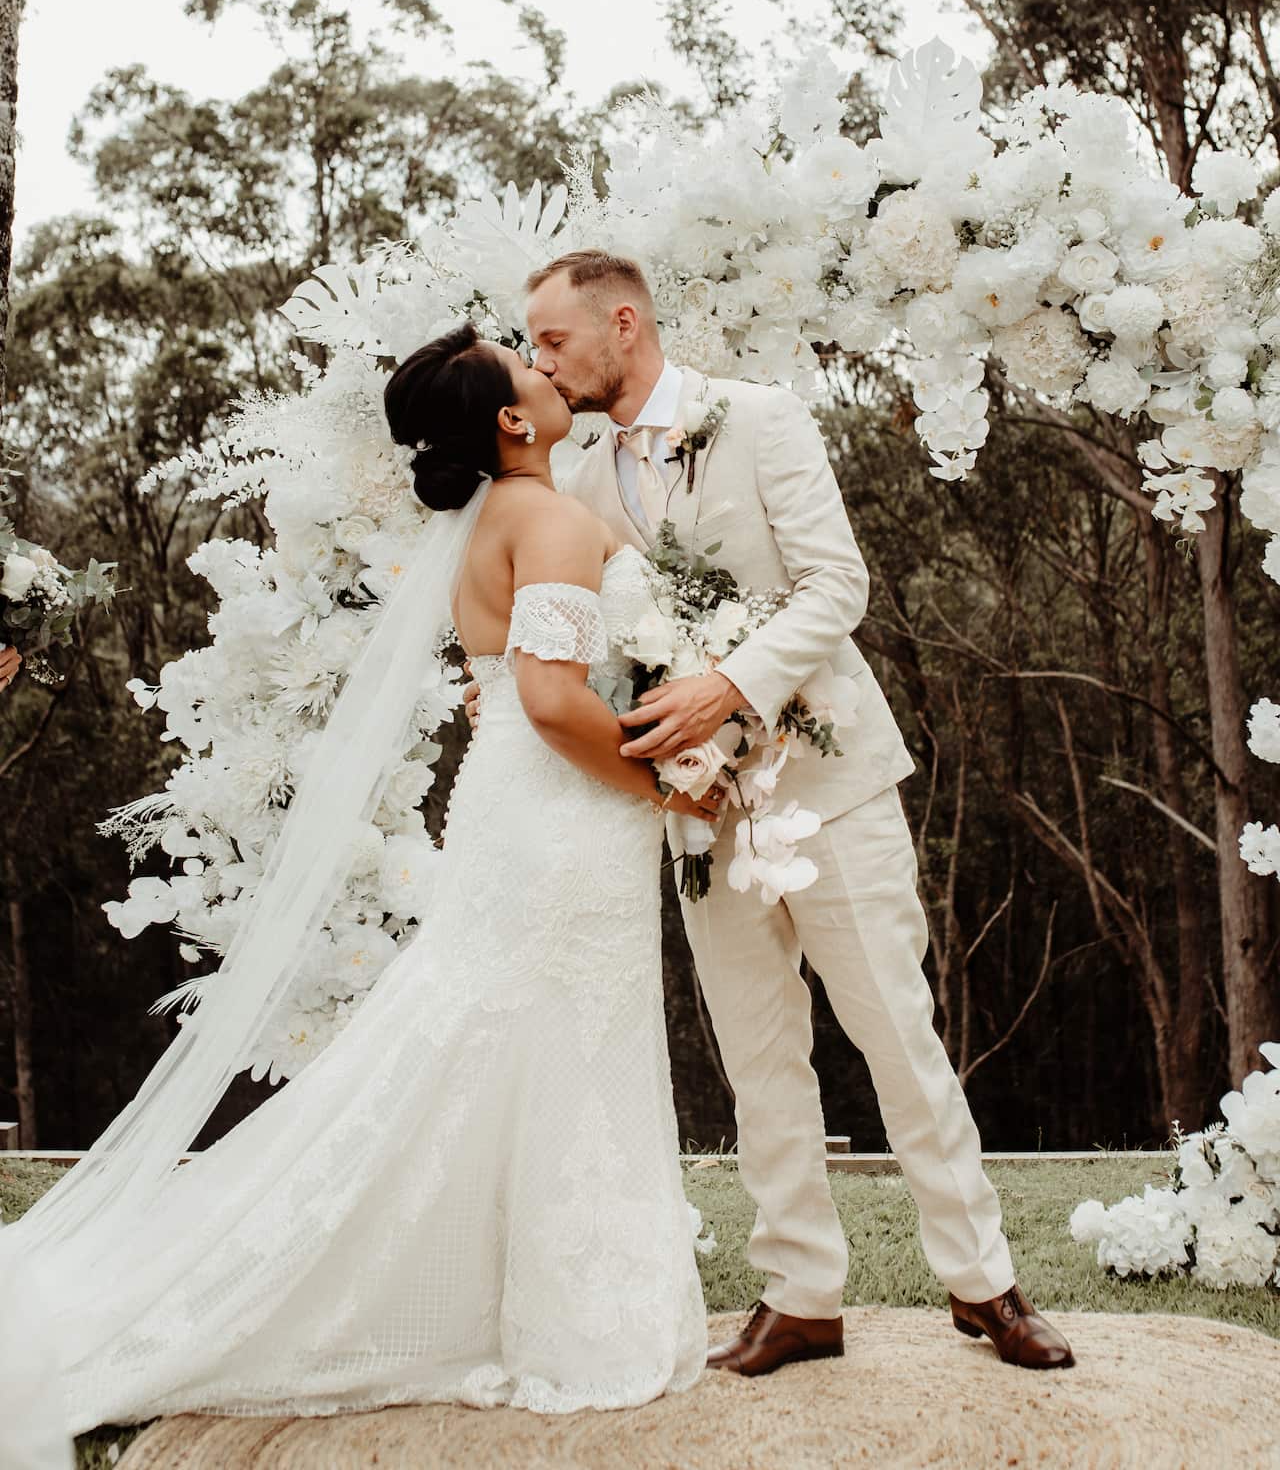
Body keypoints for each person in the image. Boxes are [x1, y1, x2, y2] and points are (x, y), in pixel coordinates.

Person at [2, 322, 717, 1435]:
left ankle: (548, 1303)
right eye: (528, 369)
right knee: (568, 1042)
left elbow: (509, 686)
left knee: (503, 1041)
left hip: (514, 811)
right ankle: (574, 1321)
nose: (546, 370)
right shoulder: (554, 519)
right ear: (511, 423)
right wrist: (679, 793)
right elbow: (552, 701)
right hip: (560, 816)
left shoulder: (490, 519)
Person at [490, 248, 1074, 1375]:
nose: (538, 362)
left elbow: (834, 586)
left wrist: (729, 685)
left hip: (829, 786)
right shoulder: (573, 480)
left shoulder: (758, 418)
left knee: (895, 1037)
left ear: (624, 322)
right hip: (695, 811)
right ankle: (799, 1295)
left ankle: (982, 1285)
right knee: (757, 1054)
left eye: (553, 340)